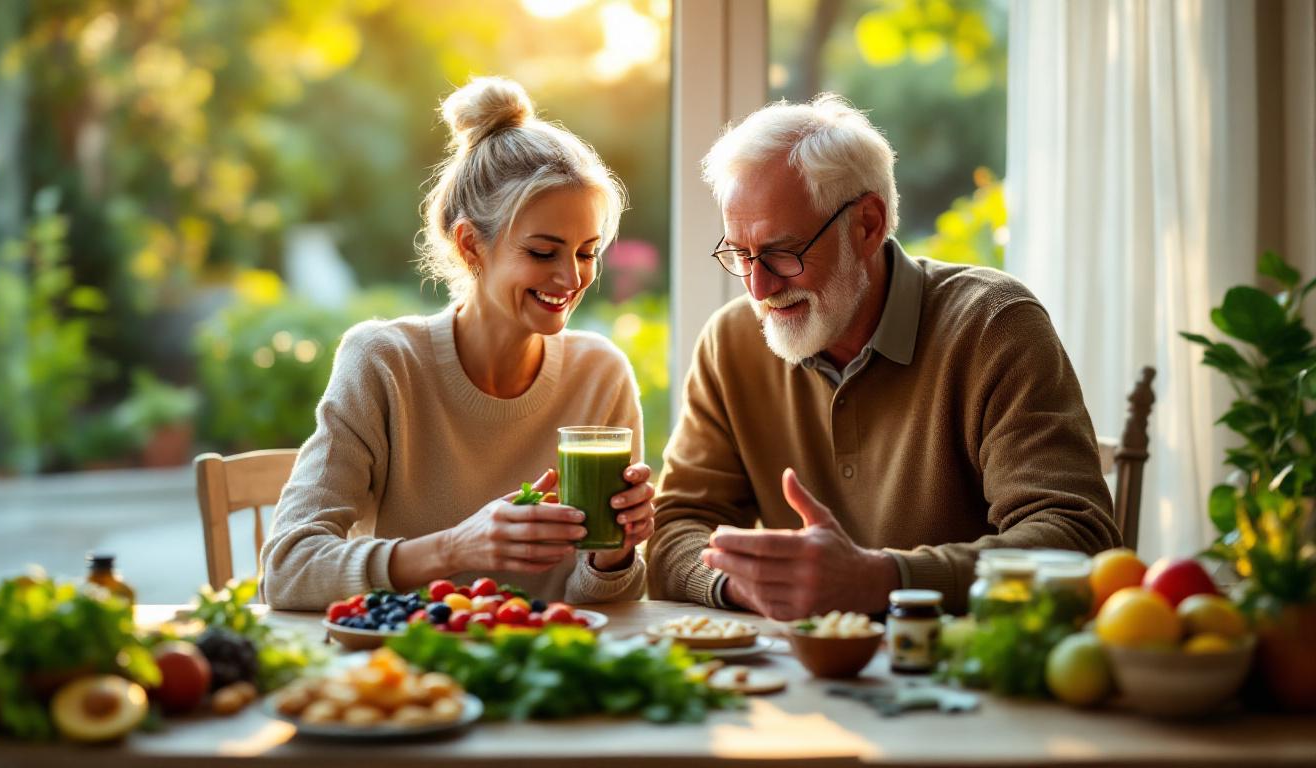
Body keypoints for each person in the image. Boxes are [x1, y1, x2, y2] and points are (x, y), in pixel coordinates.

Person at [645, 94, 1119, 619]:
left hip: (964, 672)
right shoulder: (730, 343)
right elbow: (675, 532)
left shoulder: (994, 324)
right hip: (801, 679)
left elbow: (1077, 537)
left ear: (867, 224)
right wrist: (742, 585)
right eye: (740, 253)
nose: (758, 287)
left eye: (783, 251)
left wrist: (884, 580)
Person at [262, 77, 654, 610]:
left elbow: (603, 605)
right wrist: (455, 546)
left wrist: (616, 553)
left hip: (546, 669)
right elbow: (287, 570)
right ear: (472, 245)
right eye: (543, 253)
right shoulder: (383, 364)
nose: (572, 279)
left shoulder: (599, 374)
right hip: (409, 671)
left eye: (586, 253)